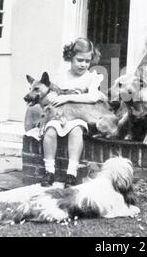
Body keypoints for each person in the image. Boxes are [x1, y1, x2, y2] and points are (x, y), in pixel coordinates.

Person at [40, 38, 104, 188]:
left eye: (87, 61)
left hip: (80, 115)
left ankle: (71, 173)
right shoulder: (62, 76)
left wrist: (67, 97)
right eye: (79, 60)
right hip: (60, 115)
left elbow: (93, 96)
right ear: (70, 57)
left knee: (76, 130)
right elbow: (52, 95)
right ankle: (49, 171)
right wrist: (54, 98)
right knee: (50, 130)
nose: (83, 64)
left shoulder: (91, 77)